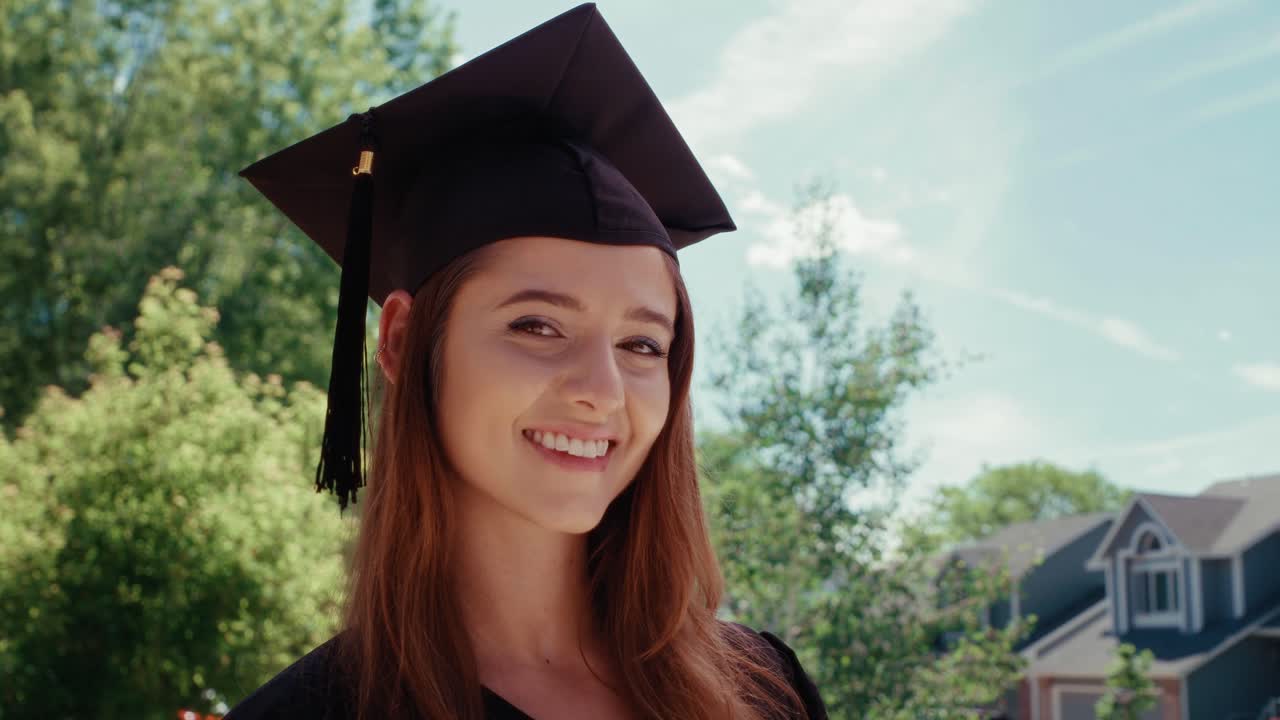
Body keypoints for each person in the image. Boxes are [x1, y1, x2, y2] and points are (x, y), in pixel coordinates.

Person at [224, 4, 828, 719]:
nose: (602, 393)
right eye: (538, 326)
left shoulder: (763, 691)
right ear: (401, 343)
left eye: (641, 344)